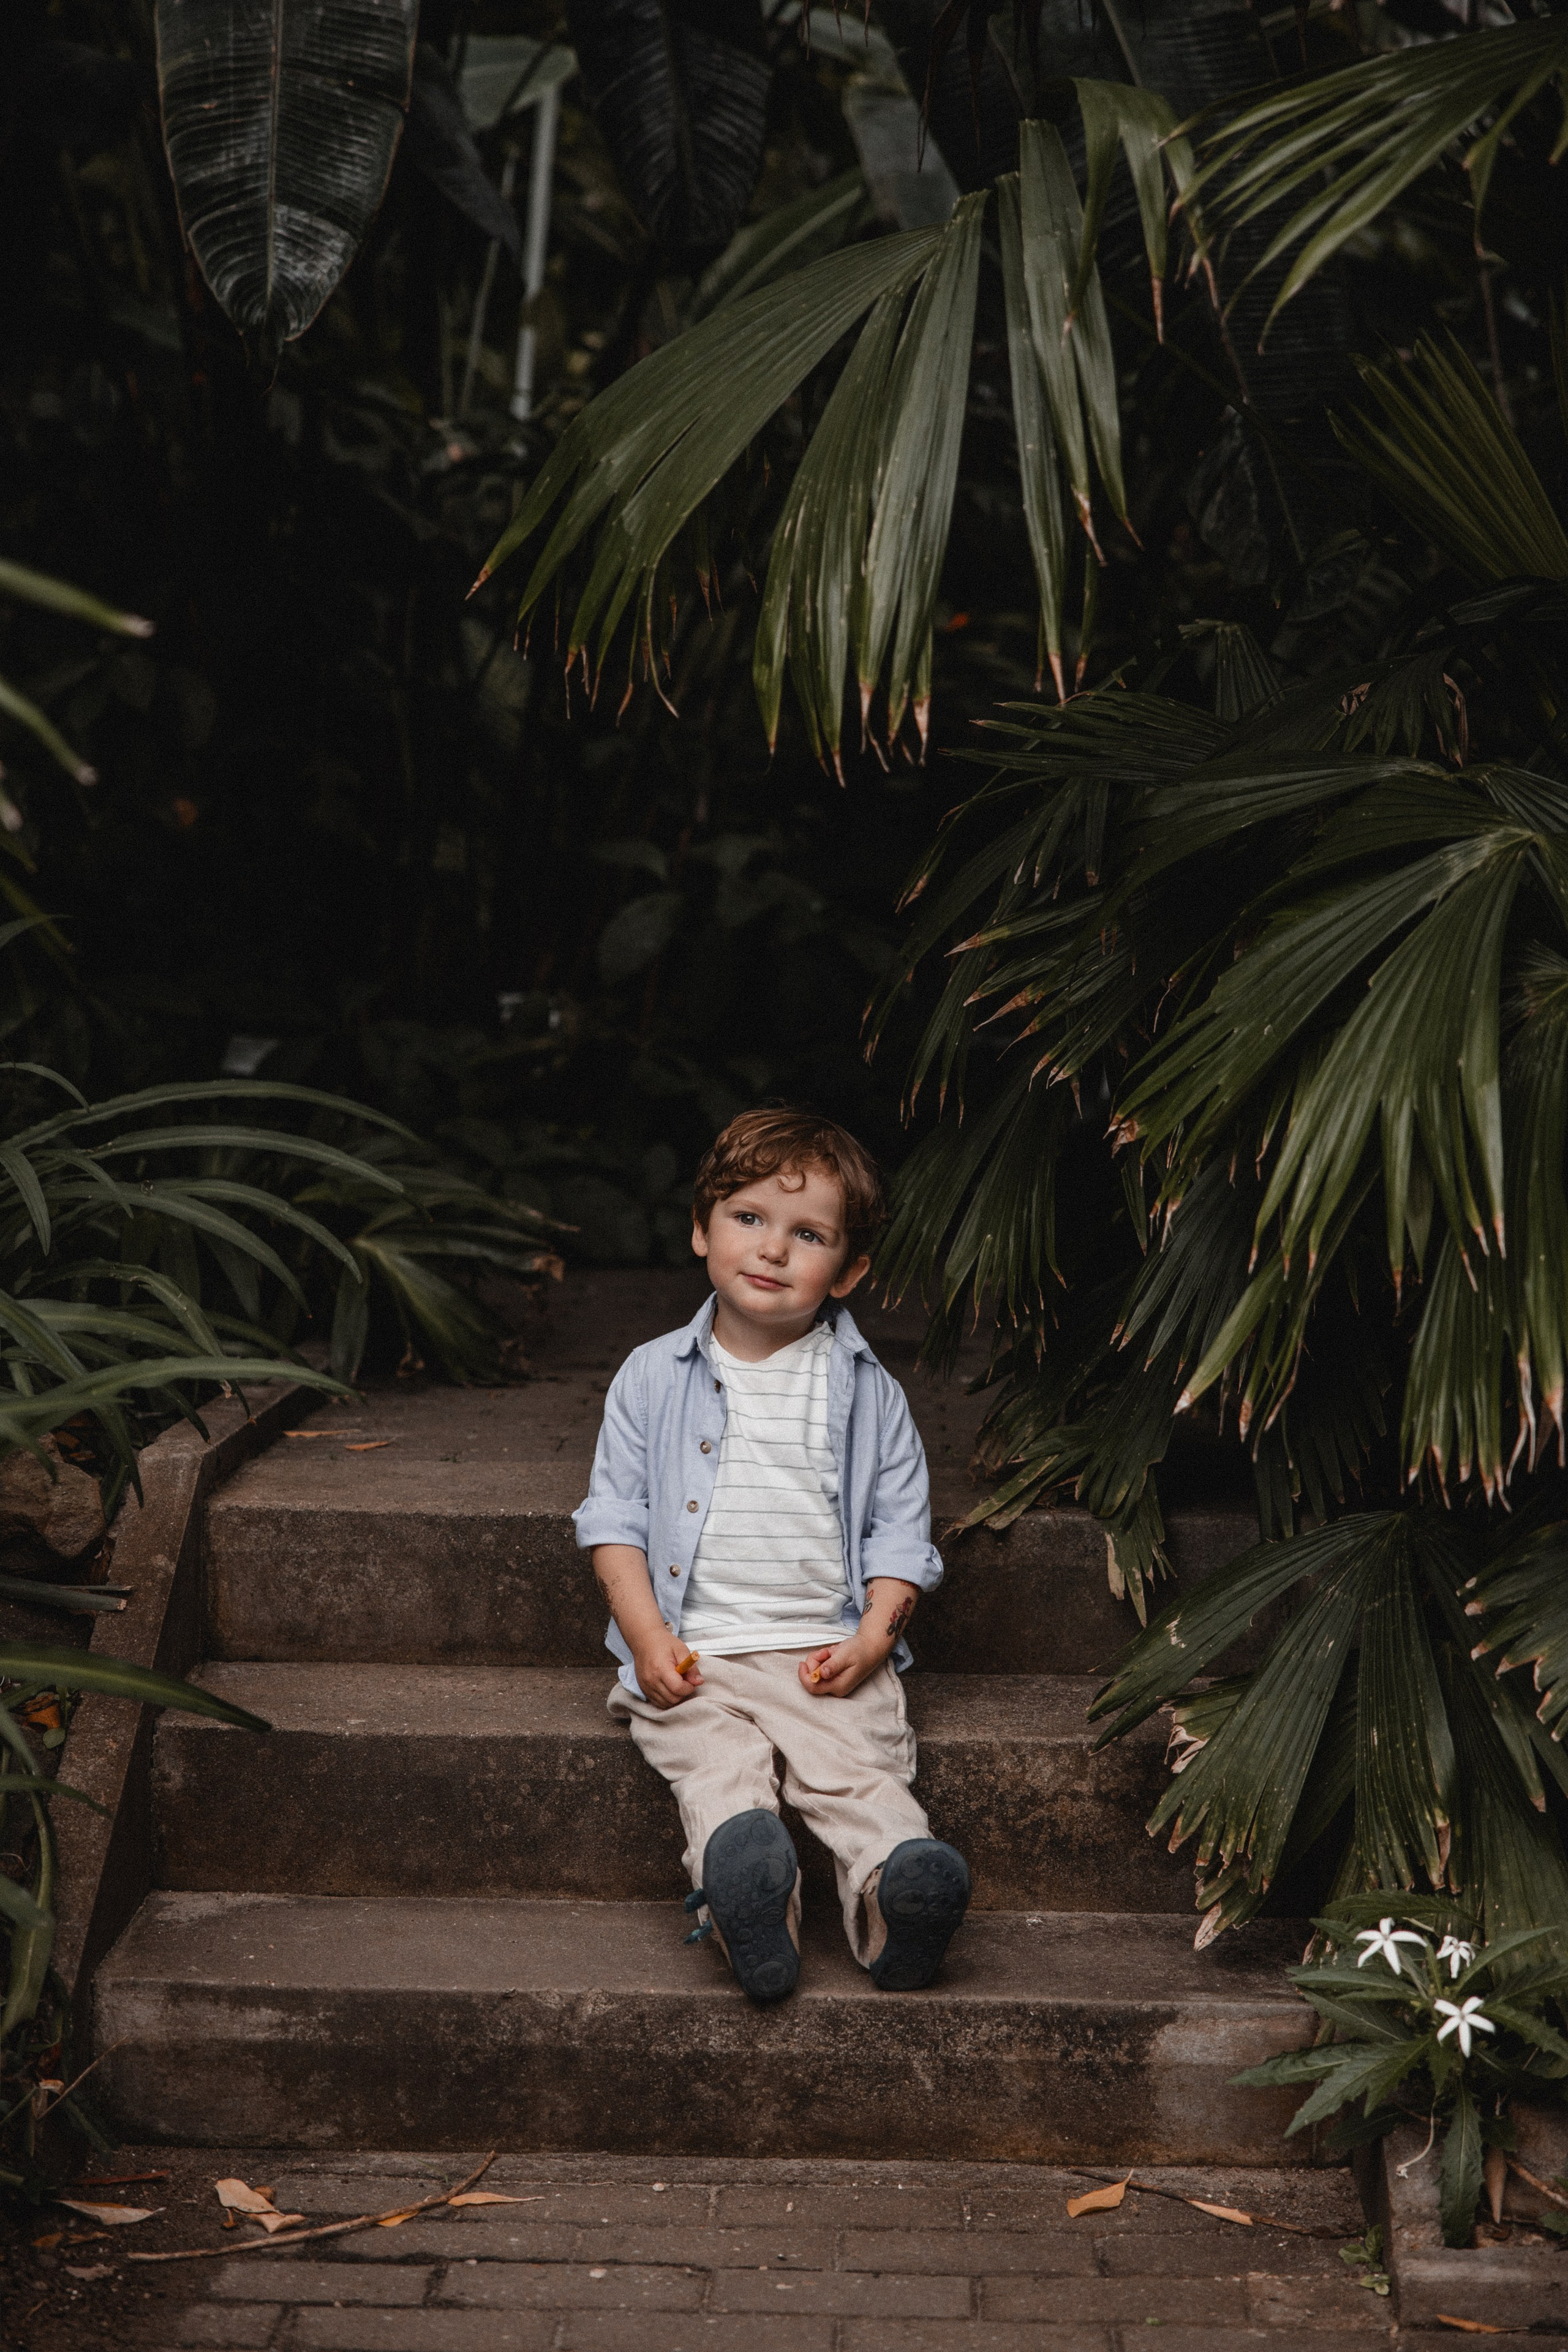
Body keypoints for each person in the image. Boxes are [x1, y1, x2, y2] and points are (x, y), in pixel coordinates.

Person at [573, 1105, 970, 2004]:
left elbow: (901, 1534)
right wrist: (645, 1640)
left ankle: (898, 1893)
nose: (773, 1249)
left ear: (850, 1270)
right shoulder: (650, 1376)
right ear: (701, 1228)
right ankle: (750, 1896)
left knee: (859, 1774)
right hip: (695, 1653)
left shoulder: (870, 1394)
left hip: (826, 1653)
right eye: (748, 1218)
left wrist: (874, 1638)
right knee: (717, 1770)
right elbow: (615, 1519)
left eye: (809, 1234)